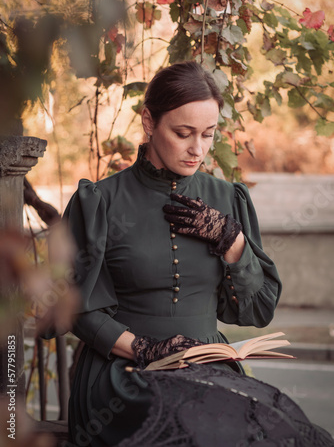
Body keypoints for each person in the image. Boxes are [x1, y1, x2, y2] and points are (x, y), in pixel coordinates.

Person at [60, 62, 333, 447]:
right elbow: (75, 306)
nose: (198, 149)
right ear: (149, 121)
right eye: (183, 133)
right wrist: (142, 348)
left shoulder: (227, 199)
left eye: (208, 134)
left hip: (209, 368)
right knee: (191, 424)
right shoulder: (99, 202)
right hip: (122, 374)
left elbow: (257, 311)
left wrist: (233, 242)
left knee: (278, 424)